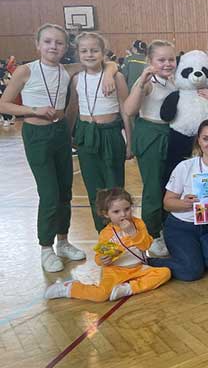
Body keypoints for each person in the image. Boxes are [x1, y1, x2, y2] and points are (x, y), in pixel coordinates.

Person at [0, 23, 117, 272]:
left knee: (65, 192)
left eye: (59, 42)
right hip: (37, 134)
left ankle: (63, 241)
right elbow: (4, 104)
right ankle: (46, 247)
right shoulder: (25, 70)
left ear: (66, 48)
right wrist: (33, 110)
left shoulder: (68, 70)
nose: (53, 46)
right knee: (49, 194)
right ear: (37, 44)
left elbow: (106, 62)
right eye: (47, 41)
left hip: (61, 132)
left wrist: (109, 72)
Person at [148, 119, 208, 281]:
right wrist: (185, 203)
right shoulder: (185, 166)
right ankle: (151, 262)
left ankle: (195, 254)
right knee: (191, 272)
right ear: (199, 141)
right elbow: (167, 203)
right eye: (206, 138)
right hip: (181, 226)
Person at [44, 188, 171, 302]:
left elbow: (146, 246)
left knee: (165, 273)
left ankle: (128, 288)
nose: (123, 214)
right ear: (106, 214)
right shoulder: (106, 234)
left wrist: (133, 232)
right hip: (115, 270)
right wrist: (103, 259)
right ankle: (70, 288)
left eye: (127, 209)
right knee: (101, 295)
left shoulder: (138, 224)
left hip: (138, 268)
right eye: (116, 211)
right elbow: (99, 258)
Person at [69, 32, 132, 232]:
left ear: (103, 52)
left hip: (110, 134)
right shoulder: (77, 79)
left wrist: (130, 142)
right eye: (84, 51)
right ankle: (103, 234)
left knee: (115, 188)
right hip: (86, 134)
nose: (89, 54)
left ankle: (121, 233)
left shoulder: (116, 76)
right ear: (78, 53)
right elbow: (73, 109)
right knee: (94, 189)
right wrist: (70, 135)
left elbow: (126, 111)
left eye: (94, 50)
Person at [123, 40, 178, 258]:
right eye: (161, 60)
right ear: (150, 61)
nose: (167, 63)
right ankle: (152, 235)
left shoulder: (173, 81)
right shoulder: (146, 82)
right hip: (151, 135)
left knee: (169, 186)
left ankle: (165, 227)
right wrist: (140, 83)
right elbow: (129, 110)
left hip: (170, 134)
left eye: (171, 59)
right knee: (153, 188)